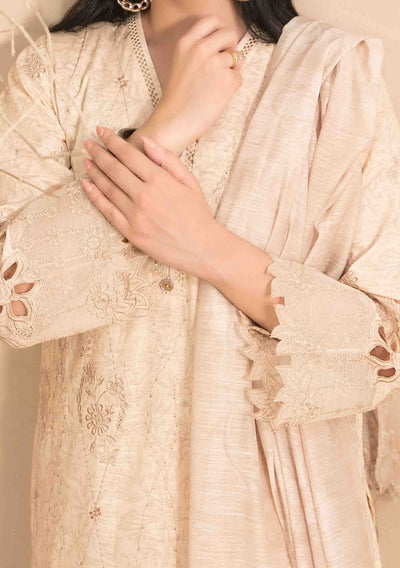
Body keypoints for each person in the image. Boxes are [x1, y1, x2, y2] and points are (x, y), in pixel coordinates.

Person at [0, 0, 399, 565]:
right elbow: (14, 301)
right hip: (104, 518)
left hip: (269, 524)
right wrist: (164, 130)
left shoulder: (332, 77)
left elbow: (379, 347)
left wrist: (207, 246)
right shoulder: (57, 70)